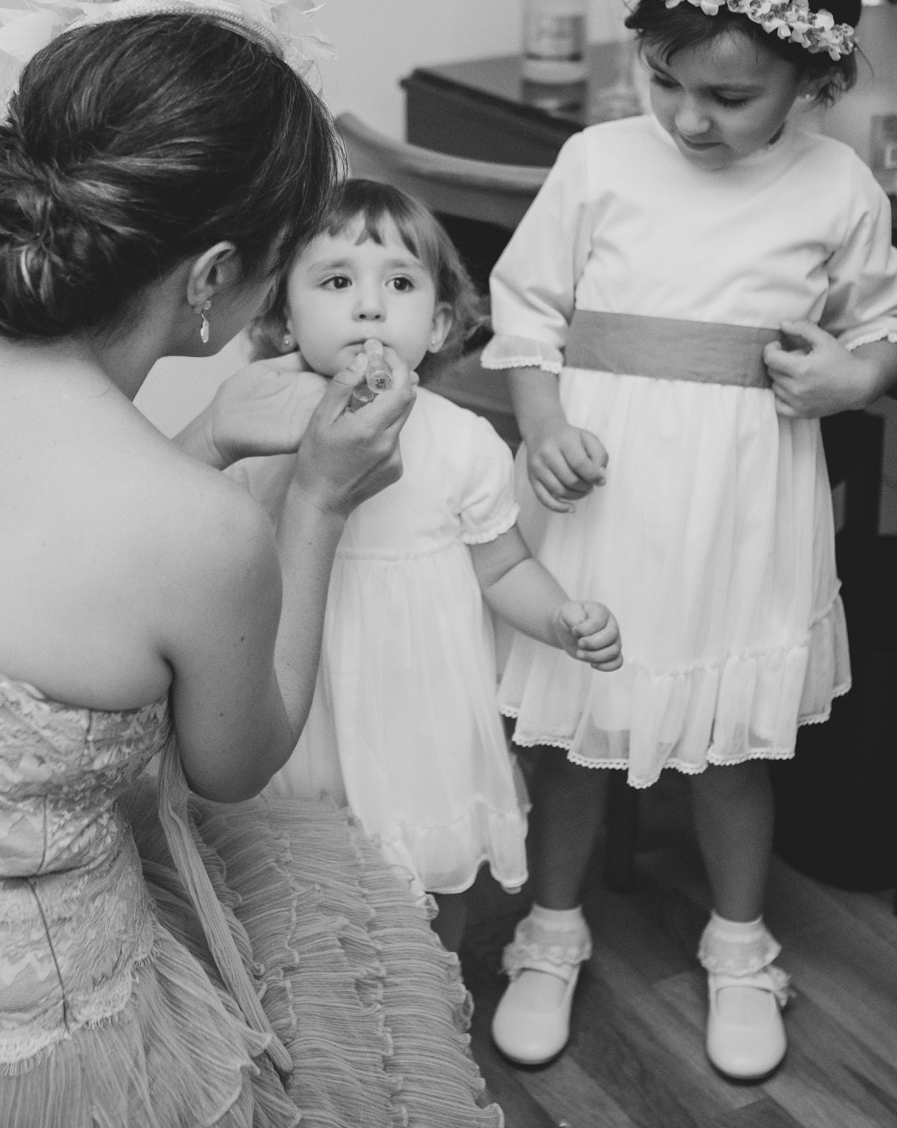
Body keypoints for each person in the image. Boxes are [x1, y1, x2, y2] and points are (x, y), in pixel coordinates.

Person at [0, 5, 504, 1126]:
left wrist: (214, 435)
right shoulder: (200, 537)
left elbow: (41, 564)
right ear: (216, 277)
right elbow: (235, 761)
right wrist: (317, 499)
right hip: (11, 1065)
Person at [481, 0, 897, 1080]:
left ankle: (738, 942)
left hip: (740, 503)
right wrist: (540, 421)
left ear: (815, 81)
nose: (685, 117)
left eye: (727, 96)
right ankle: (550, 929)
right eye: (663, 80)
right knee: (574, 733)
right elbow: (522, 315)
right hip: (603, 490)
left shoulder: (836, 188)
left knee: (733, 748)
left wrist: (848, 378)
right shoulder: (594, 161)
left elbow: (886, 330)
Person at [230, 180, 622, 952]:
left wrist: (562, 618)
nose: (370, 306)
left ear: (439, 321)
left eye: (400, 283)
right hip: (311, 709)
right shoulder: (259, 433)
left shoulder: (463, 442)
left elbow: (504, 567)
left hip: (423, 716)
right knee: (308, 899)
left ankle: (431, 1024)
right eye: (337, 281)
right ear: (281, 316)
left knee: (433, 901)